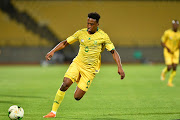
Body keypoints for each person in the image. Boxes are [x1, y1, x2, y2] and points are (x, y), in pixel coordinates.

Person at [43, 12, 125, 118]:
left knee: (77, 97)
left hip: (90, 70)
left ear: (97, 24)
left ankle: (80, 79)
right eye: (88, 23)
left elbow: (113, 52)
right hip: (78, 63)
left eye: (91, 24)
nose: (89, 26)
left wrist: (120, 67)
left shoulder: (103, 36)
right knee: (65, 83)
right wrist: (52, 51)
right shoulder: (81, 33)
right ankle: (53, 112)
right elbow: (65, 42)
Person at [161, 20, 180, 87]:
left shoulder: (179, 34)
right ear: (172, 25)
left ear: (178, 25)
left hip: (175, 51)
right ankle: (164, 72)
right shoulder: (167, 33)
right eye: (174, 24)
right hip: (168, 51)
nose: (175, 26)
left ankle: (169, 82)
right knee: (169, 67)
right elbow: (162, 42)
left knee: (175, 66)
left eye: (176, 25)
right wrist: (167, 48)